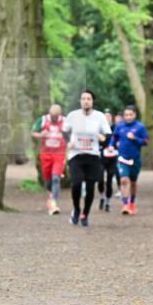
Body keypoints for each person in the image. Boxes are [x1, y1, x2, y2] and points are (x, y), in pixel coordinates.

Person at [63, 90, 112, 228]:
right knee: (76, 183)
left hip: (93, 155)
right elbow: (65, 131)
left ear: (92, 101)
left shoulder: (99, 116)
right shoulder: (73, 115)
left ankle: (85, 213)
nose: (86, 101)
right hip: (76, 155)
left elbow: (107, 135)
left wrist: (103, 139)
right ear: (80, 101)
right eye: (83, 98)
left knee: (91, 187)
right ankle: (77, 209)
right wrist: (68, 142)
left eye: (88, 99)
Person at [112, 105, 149, 215]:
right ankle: (125, 204)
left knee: (133, 182)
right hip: (123, 158)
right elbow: (114, 138)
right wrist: (111, 145)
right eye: (126, 115)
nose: (128, 117)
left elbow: (146, 141)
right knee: (123, 180)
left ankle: (132, 203)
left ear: (134, 115)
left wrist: (135, 138)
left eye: (130, 115)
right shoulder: (119, 127)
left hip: (135, 159)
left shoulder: (140, 127)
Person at [30, 104, 66, 215]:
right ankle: (51, 195)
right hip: (46, 154)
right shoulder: (43, 119)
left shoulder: (65, 121)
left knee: (56, 178)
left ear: (60, 114)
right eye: (52, 116)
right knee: (49, 180)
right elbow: (33, 132)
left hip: (59, 154)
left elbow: (72, 135)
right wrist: (40, 135)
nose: (54, 118)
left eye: (56, 116)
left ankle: (53, 203)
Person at [98, 111, 120, 212]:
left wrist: (117, 145)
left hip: (112, 157)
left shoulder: (116, 128)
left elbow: (119, 139)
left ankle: (107, 200)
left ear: (112, 118)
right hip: (101, 157)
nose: (107, 118)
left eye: (108, 116)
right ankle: (102, 195)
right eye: (105, 116)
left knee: (110, 179)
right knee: (100, 179)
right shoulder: (98, 128)